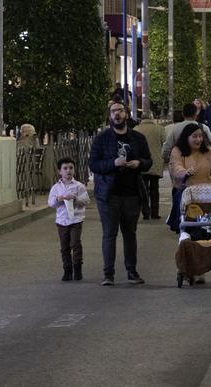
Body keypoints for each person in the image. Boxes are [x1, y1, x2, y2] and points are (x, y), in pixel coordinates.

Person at [88, 101, 153, 286]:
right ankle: (108, 274)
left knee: (130, 234)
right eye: (113, 111)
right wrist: (113, 164)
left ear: (127, 114)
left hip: (132, 194)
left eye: (120, 111)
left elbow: (149, 161)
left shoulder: (138, 138)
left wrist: (139, 163)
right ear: (109, 116)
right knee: (109, 234)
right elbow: (93, 164)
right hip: (108, 195)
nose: (117, 114)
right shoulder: (102, 138)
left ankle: (132, 271)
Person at [170, 123, 211, 283]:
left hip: (208, 197)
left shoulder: (208, 152)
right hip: (187, 197)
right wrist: (185, 172)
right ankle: (192, 268)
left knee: (209, 232)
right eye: (194, 136)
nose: (198, 139)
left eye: (200, 136)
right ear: (186, 137)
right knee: (190, 233)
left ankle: (203, 267)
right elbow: (176, 168)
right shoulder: (178, 151)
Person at [161, 104, 211, 231]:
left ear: (183, 114)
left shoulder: (175, 128)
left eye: (199, 137)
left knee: (178, 193)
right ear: (196, 114)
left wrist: (165, 159)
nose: (198, 139)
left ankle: (178, 218)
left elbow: (167, 148)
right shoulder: (204, 127)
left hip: (180, 172)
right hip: (202, 172)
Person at [47, 157, 90, 281]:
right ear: (60, 171)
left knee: (75, 243)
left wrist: (76, 199)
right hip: (62, 221)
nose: (68, 171)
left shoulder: (79, 186)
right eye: (65, 168)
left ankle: (77, 268)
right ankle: (67, 269)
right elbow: (51, 203)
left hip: (76, 219)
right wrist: (58, 199)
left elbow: (86, 201)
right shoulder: (56, 188)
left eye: (71, 168)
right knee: (64, 246)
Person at [134, 118, 165, 220]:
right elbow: (164, 141)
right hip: (155, 161)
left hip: (141, 162)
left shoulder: (136, 129)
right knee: (154, 189)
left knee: (143, 190)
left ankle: (145, 212)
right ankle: (155, 213)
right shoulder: (159, 129)